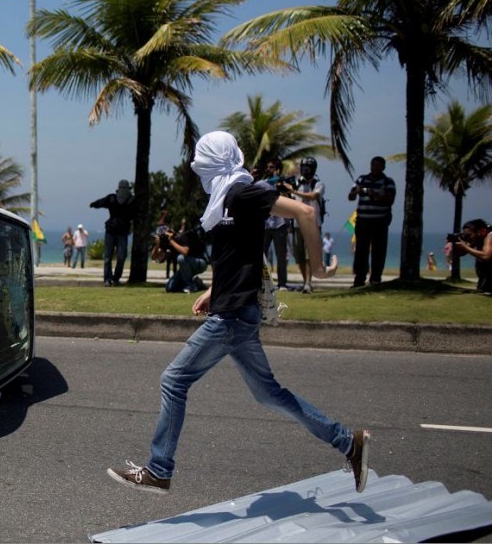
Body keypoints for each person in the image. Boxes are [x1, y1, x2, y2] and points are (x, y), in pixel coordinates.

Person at [106, 131, 370, 496]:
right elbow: (238, 253)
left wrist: (320, 266)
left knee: (173, 380)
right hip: (235, 309)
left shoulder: (243, 191)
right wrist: (215, 289)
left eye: (202, 162)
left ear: (215, 161)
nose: (199, 170)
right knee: (269, 394)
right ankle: (349, 443)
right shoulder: (225, 200)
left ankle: (159, 470)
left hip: (232, 318)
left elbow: (306, 212)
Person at [348, 156, 396, 287]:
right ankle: (359, 278)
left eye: (378, 165)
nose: (374, 168)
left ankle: (376, 278)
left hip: (380, 221)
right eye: (373, 165)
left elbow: (390, 199)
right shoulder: (361, 179)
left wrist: (374, 194)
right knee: (361, 251)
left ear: (383, 167)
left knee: (379, 251)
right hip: (363, 220)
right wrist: (356, 191)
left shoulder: (388, 182)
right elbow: (350, 197)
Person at [288, 156, 326, 293]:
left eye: (307, 167)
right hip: (297, 223)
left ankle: (308, 283)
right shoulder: (296, 182)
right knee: (298, 254)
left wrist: (293, 191)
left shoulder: (318, 183)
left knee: (309, 254)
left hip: (313, 223)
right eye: (303, 167)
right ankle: (305, 281)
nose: (305, 170)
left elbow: (312, 196)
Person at [90, 180, 136, 287]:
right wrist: (94, 204)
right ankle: (107, 279)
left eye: (125, 188)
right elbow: (101, 202)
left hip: (123, 232)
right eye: (121, 187)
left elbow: (136, 214)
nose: (123, 190)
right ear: (118, 188)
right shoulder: (112, 198)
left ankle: (116, 278)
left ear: (128, 189)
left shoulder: (132, 201)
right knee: (108, 256)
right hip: (110, 230)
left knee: (121, 256)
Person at [261, 158, 292, 290]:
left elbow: (289, 198)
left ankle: (282, 283)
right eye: (268, 167)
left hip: (280, 224)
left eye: (272, 167)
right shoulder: (263, 183)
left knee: (281, 256)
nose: (269, 169)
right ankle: (262, 282)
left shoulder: (284, 183)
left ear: (278, 169)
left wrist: (282, 188)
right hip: (266, 224)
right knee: (261, 255)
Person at [163, 225, 208, 293]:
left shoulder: (183, 236)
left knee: (181, 258)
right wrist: (158, 244)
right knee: (170, 287)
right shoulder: (170, 242)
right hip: (186, 266)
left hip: (199, 262)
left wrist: (171, 240)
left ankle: (191, 285)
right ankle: (197, 283)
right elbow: (159, 259)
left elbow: (185, 252)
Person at [453, 219, 491, 295]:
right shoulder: (477, 238)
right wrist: (455, 246)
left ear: (479, 232)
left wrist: (465, 247)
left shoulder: (490, 236)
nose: (467, 238)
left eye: (469, 235)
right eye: (465, 235)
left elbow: (486, 256)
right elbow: (461, 253)